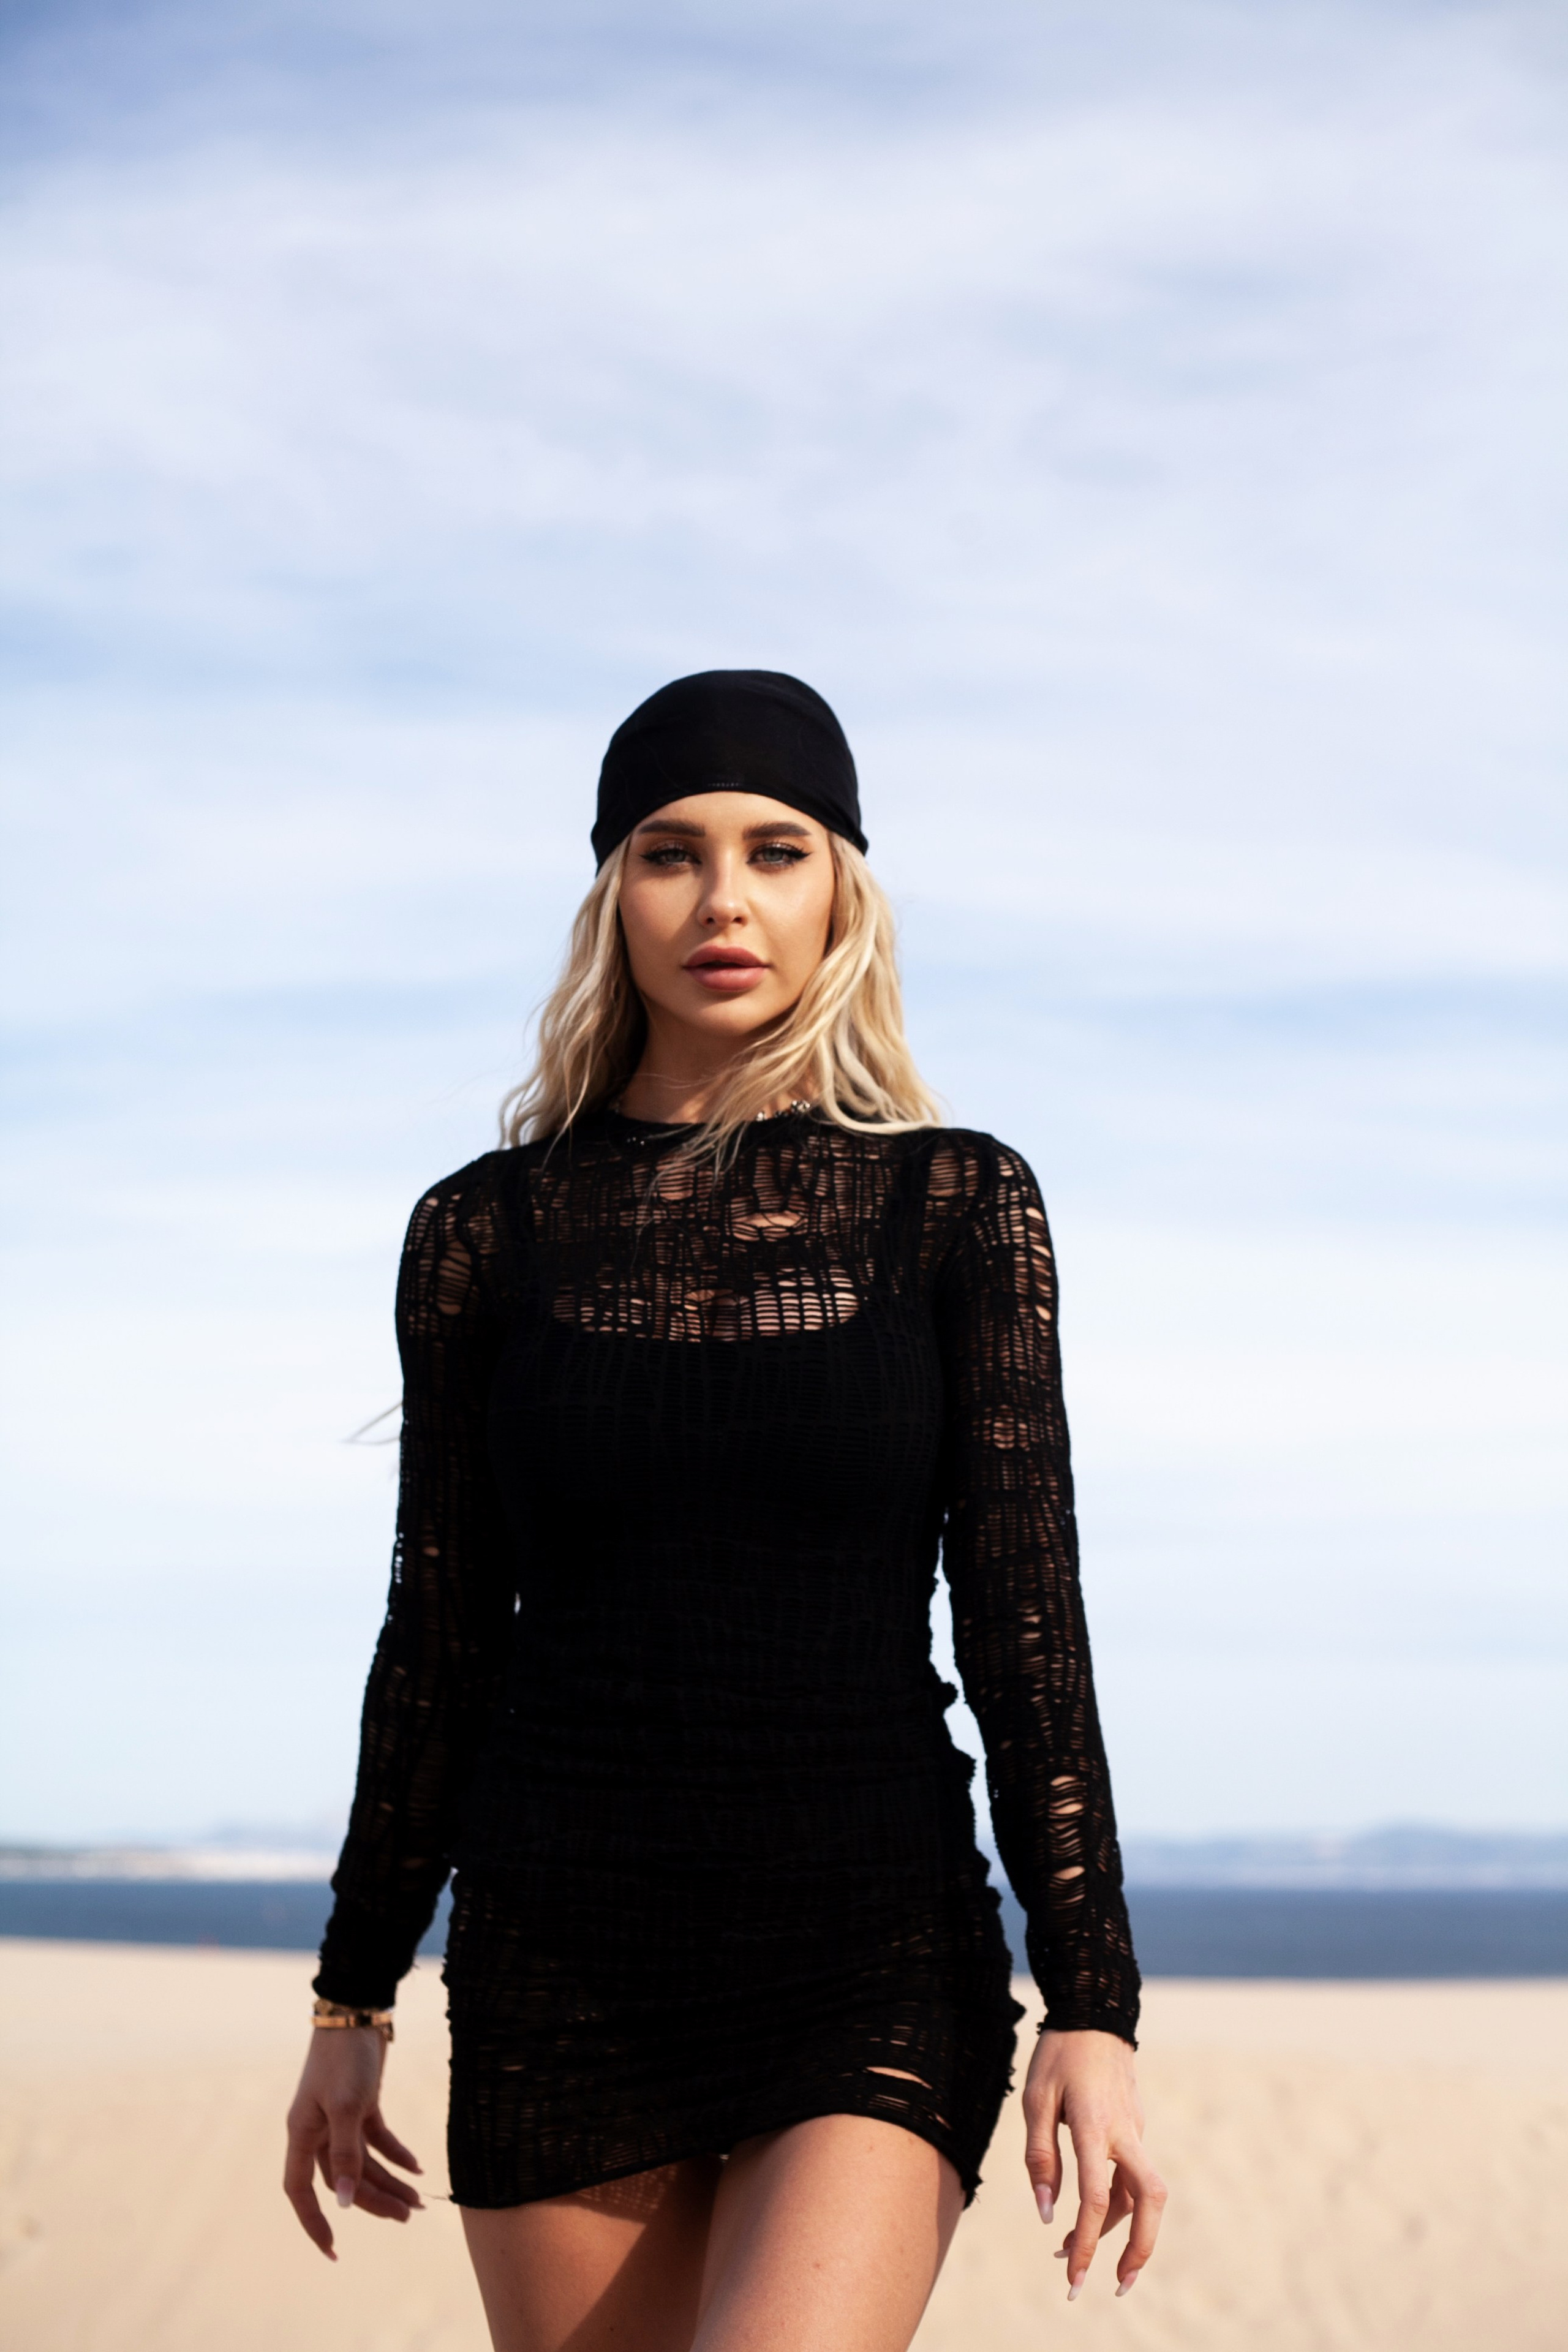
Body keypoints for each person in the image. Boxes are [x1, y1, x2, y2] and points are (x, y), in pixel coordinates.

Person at [284, 671, 1165, 2352]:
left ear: (843, 887)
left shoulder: (955, 1207)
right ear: (613, 892)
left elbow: (1025, 1618)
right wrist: (353, 1994)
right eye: (672, 853)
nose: (726, 899)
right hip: (562, 1952)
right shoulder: (485, 1235)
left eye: (776, 849)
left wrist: (1094, 2002)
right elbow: (441, 1639)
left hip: (870, 1941)